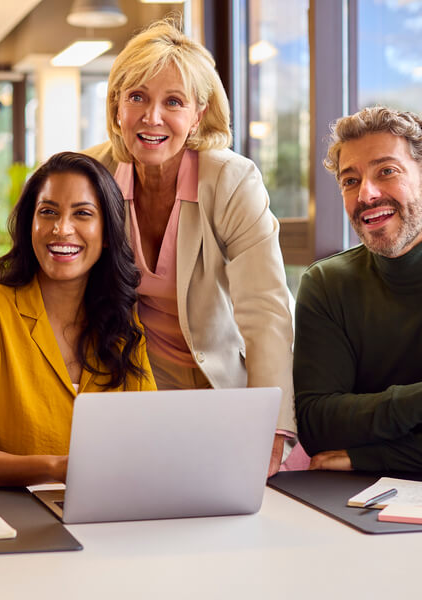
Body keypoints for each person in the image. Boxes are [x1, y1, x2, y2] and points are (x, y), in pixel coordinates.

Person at [83, 18, 295, 475]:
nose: (152, 117)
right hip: (130, 384)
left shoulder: (231, 179)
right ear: (116, 106)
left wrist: (273, 428)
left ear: (198, 114)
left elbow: (265, 310)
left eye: (173, 102)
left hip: (218, 383)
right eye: (137, 97)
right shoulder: (91, 174)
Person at [0, 152, 156, 486]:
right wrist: (54, 469)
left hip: (108, 509)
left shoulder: (123, 324)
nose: (61, 229)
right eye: (48, 212)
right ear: (29, 225)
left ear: (107, 233)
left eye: (82, 214)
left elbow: (148, 443)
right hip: (9, 512)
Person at [294, 106, 422, 473]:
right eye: (350, 181)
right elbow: (318, 425)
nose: (366, 194)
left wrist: (367, 457)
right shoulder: (327, 284)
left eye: (386, 171)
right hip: (349, 499)